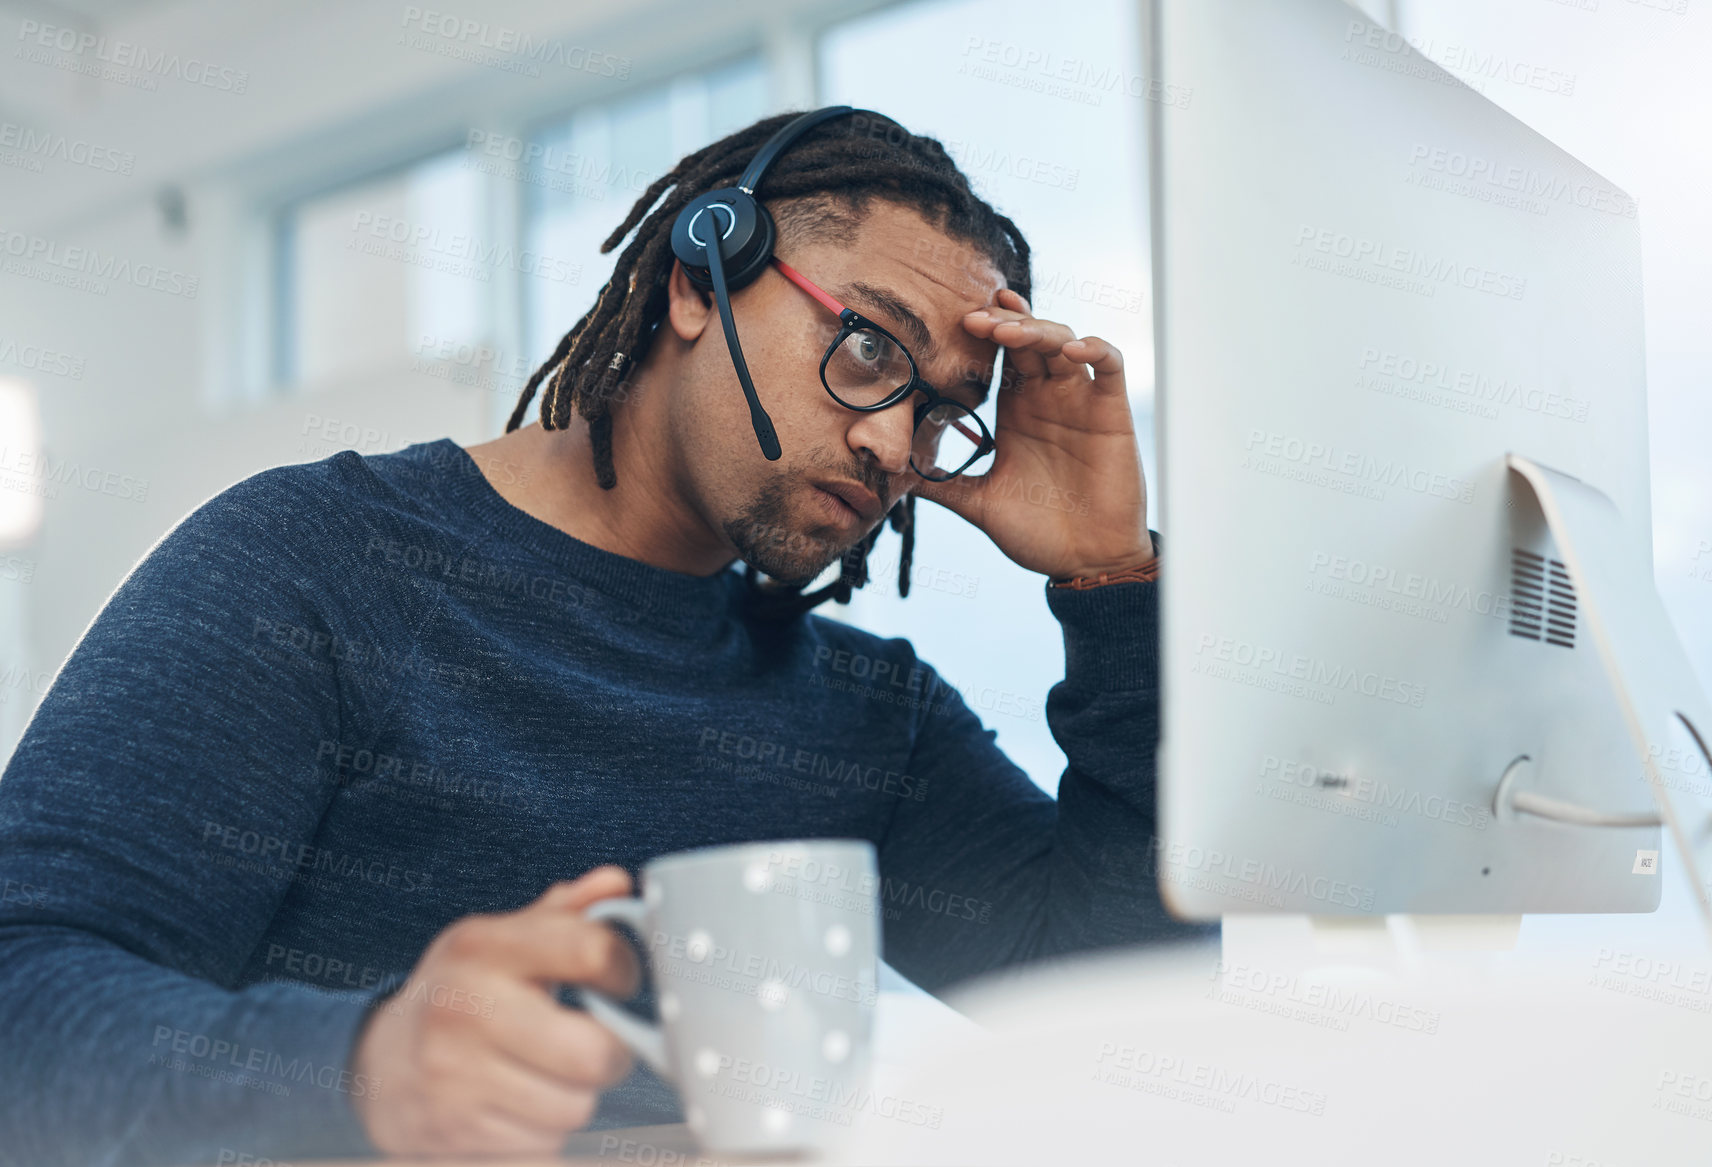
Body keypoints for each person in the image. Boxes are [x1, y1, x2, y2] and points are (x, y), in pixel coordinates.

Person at [0, 109, 1211, 1166]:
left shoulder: (860, 712)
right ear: (696, 279)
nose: (894, 447)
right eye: (867, 350)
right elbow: (23, 1003)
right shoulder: (314, 566)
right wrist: (364, 1061)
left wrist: (1113, 583)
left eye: (939, 412)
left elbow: (1132, 1007)